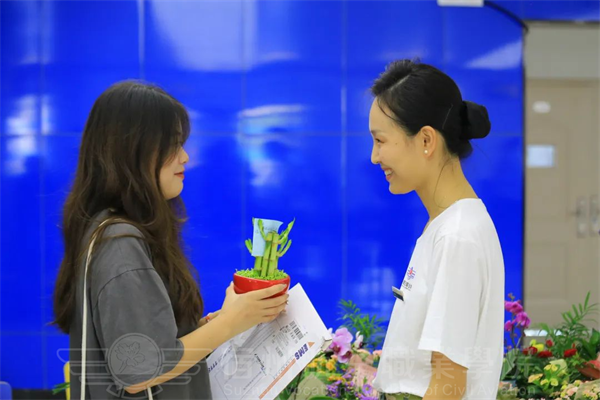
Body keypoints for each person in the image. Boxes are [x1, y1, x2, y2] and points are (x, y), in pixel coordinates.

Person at [52, 81, 288, 399]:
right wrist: (231, 323)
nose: (185, 157)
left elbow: (157, 346)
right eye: (174, 144)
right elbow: (140, 371)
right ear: (134, 149)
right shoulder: (120, 243)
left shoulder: (112, 231)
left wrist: (218, 323)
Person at [368, 60, 505, 400]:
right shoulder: (447, 225)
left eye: (380, 141)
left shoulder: (457, 236)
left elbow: (448, 386)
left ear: (426, 140)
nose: (374, 157)